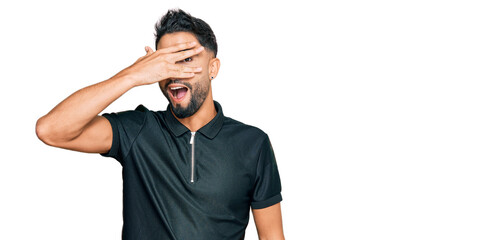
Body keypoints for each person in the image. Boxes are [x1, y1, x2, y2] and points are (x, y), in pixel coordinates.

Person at [35, 9, 284, 240]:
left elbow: (272, 236)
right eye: (165, 62)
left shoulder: (253, 143)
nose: (174, 73)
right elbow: (51, 130)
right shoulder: (137, 130)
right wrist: (132, 76)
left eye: (186, 59)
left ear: (213, 68)